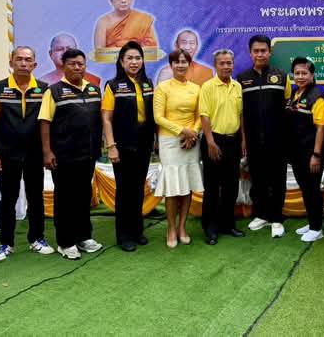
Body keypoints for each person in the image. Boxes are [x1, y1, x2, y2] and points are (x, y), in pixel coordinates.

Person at [0, 46, 54, 262]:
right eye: (19, 59)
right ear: (11, 63)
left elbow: (47, 123)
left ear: (35, 64)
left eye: (28, 60)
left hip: (34, 153)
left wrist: (47, 152)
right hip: (8, 153)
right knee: (8, 198)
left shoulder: (44, 89)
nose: (23, 63)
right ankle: (6, 243)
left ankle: (37, 238)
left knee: (35, 197)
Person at [38, 49, 103, 259]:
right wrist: (47, 152)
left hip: (88, 155)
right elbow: (45, 122)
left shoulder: (94, 90)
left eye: (80, 64)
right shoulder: (53, 91)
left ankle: (83, 236)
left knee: (83, 196)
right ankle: (65, 242)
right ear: (63, 66)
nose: (77, 67)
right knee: (65, 198)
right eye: (72, 64)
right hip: (63, 156)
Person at [101, 41, 156, 252]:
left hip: (144, 142)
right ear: (121, 62)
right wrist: (111, 146)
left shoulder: (148, 83)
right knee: (124, 190)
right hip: (122, 144)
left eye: (138, 58)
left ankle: (137, 230)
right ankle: (123, 236)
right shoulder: (113, 85)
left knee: (138, 188)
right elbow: (106, 118)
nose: (134, 62)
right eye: (130, 58)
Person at [238, 35, 291, 238]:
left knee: (277, 179)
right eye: (256, 51)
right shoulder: (242, 79)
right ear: (250, 53)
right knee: (258, 178)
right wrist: (244, 139)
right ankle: (261, 214)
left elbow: (288, 108)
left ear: (270, 52)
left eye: (263, 50)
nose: (260, 54)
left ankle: (276, 218)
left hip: (278, 139)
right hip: (253, 140)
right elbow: (241, 113)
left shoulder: (282, 77)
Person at [153, 49, 204, 248]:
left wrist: (193, 133)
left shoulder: (196, 88)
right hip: (170, 141)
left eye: (184, 62)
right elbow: (158, 117)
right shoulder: (162, 88)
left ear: (189, 64)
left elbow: (200, 115)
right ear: (171, 65)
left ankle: (182, 227)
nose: (181, 65)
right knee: (173, 188)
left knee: (186, 185)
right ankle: (171, 228)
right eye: (177, 62)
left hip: (191, 142)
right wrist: (183, 131)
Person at [199, 49, 246, 245]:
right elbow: (204, 116)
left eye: (229, 63)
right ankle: (210, 228)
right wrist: (210, 142)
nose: (226, 66)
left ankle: (228, 224)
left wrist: (243, 140)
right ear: (215, 65)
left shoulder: (238, 87)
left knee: (231, 186)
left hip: (233, 141)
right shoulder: (207, 87)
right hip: (214, 141)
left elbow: (241, 115)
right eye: (222, 63)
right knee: (212, 186)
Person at [284, 57, 324, 243]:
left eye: (304, 73)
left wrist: (316, 155)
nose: (300, 76)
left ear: (312, 75)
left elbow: (321, 128)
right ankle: (311, 223)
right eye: (297, 73)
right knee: (305, 188)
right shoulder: (295, 94)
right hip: (297, 153)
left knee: (312, 189)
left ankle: (317, 228)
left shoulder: (317, 97)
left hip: (312, 154)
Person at [93, 0, 158, 48]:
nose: (123, 1)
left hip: (136, 54)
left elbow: (151, 48)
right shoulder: (103, 22)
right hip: (112, 55)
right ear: (112, 1)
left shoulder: (143, 20)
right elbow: (100, 51)